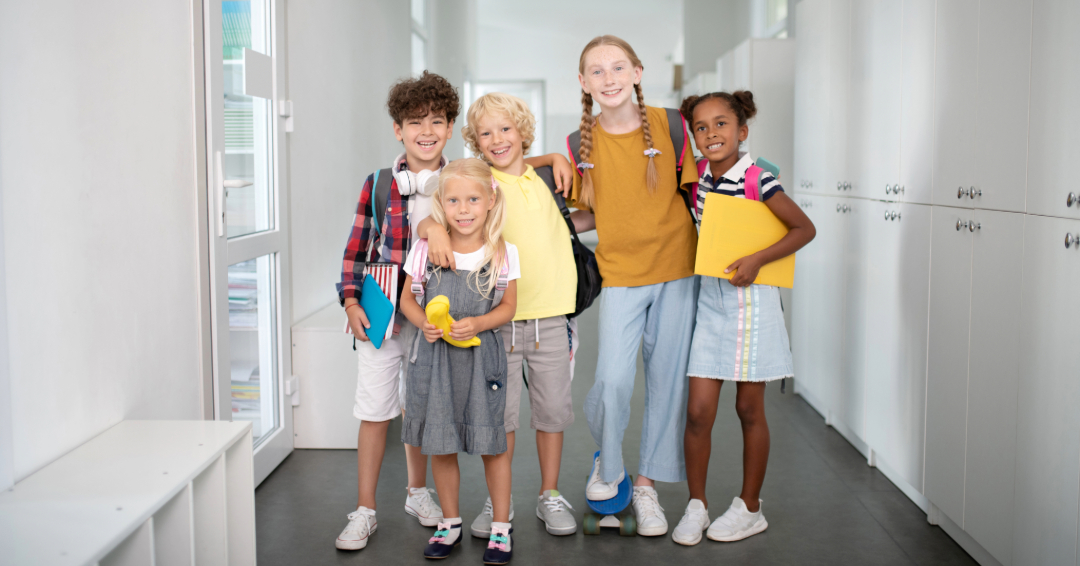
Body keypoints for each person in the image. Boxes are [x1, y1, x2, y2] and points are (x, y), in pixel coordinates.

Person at [334, 72, 573, 552]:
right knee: (377, 409)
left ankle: (417, 493)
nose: (426, 130)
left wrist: (551, 156)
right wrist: (351, 299)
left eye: (437, 121)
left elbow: (507, 168)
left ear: (448, 128)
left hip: (448, 326)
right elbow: (358, 248)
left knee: (423, 406)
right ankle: (364, 511)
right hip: (389, 308)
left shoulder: (462, 177)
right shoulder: (381, 184)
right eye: (414, 122)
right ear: (397, 129)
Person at [567, 35, 700, 537]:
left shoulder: (673, 125)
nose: (609, 79)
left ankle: (645, 488)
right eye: (596, 72)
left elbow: (702, 188)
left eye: (618, 67)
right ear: (583, 83)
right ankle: (612, 467)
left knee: (667, 385)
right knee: (613, 382)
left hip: (678, 270)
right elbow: (586, 215)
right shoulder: (578, 145)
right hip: (621, 274)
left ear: (638, 72)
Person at [670, 91, 816, 546]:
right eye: (701, 127)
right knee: (697, 413)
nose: (711, 134)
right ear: (693, 135)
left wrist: (756, 259)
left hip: (754, 308)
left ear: (742, 131)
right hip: (710, 305)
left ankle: (750, 508)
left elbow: (803, 229)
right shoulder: (696, 183)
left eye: (721, 124)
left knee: (749, 409)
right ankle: (697, 506)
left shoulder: (758, 180)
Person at [455, 93, 581, 537]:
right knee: (501, 419)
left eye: (506, 129)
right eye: (486, 133)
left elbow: (574, 218)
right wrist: (431, 228)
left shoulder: (547, 176)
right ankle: (499, 500)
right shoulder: (480, 182)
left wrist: (551, 158)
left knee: (551, 414)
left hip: (552, 316)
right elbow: (446, 200)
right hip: (498, 320)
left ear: (523, 131)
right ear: (475, 141)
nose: (497, 139)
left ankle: (550, 495)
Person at [399, 158, 520, 564]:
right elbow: (407, 301)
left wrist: (480, 322)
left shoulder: (503, 252)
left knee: (493, 445)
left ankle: (500, 528)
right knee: (441, 443)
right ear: (441, 203)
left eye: (472, 199)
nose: (463, 209)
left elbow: (508, 308)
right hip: (435, 363)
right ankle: (448, 523)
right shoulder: (425, 249)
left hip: (483, 363)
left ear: (490, 200)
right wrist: (424, 326)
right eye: (453, 200)